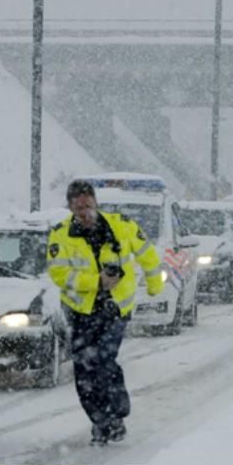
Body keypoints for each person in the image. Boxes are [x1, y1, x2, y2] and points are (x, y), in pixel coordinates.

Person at [47, 180, 164, 445]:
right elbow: (59, 274)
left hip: (115, 308)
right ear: (70, 207)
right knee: (84, 371)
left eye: (87, 204)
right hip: (80, 311)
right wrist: (96, 281)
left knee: (103, 361)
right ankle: (100, 421)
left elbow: (147, 254)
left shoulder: (121, 225)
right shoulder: (60, 235)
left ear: (96, 203)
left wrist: (155, 284)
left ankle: (116, 414)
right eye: (78, 207)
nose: (84, 211)